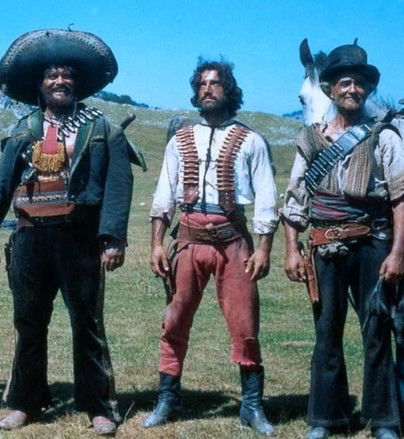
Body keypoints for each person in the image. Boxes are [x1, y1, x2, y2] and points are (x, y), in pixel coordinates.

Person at [0, 28, 137, 435]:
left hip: (79, 238)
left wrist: (112, 237)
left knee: (87, 322)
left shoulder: (102, 129)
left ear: (76, 83)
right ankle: (25, 403)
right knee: (28, 322)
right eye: (52, 75)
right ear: (41, 85)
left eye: (67, 74)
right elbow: (2, 185)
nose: (60, 80)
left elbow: (118, 186)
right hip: (30, 238)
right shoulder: (23, 130)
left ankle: (99, 405)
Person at [147, 60, 279, 436]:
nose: (207, 89)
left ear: (228, 90)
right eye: (202, 84)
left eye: (215, 83)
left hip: (232, 241)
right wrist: (157, 244)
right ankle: (167, 399)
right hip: (188, 240)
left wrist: (264, 248)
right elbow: (164, 193)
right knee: (174, 321)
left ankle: (251, 406)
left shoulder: (250, 140)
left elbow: (266, 196)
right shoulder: (180, 140)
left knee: (244, 324)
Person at [282, 43, 404, 439]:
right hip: (325, 246)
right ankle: (325, 418)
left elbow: (400, 198)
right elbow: (295, 197)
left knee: (377, 331)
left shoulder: (385, 137)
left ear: (367, 89)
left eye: (360, 83)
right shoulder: (310, 139)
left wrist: (398, 252)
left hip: (373, 244)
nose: (353, 89)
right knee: (326, 333)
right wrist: (291, 249)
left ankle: (382, 420)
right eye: (345, 83)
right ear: (330, 89)